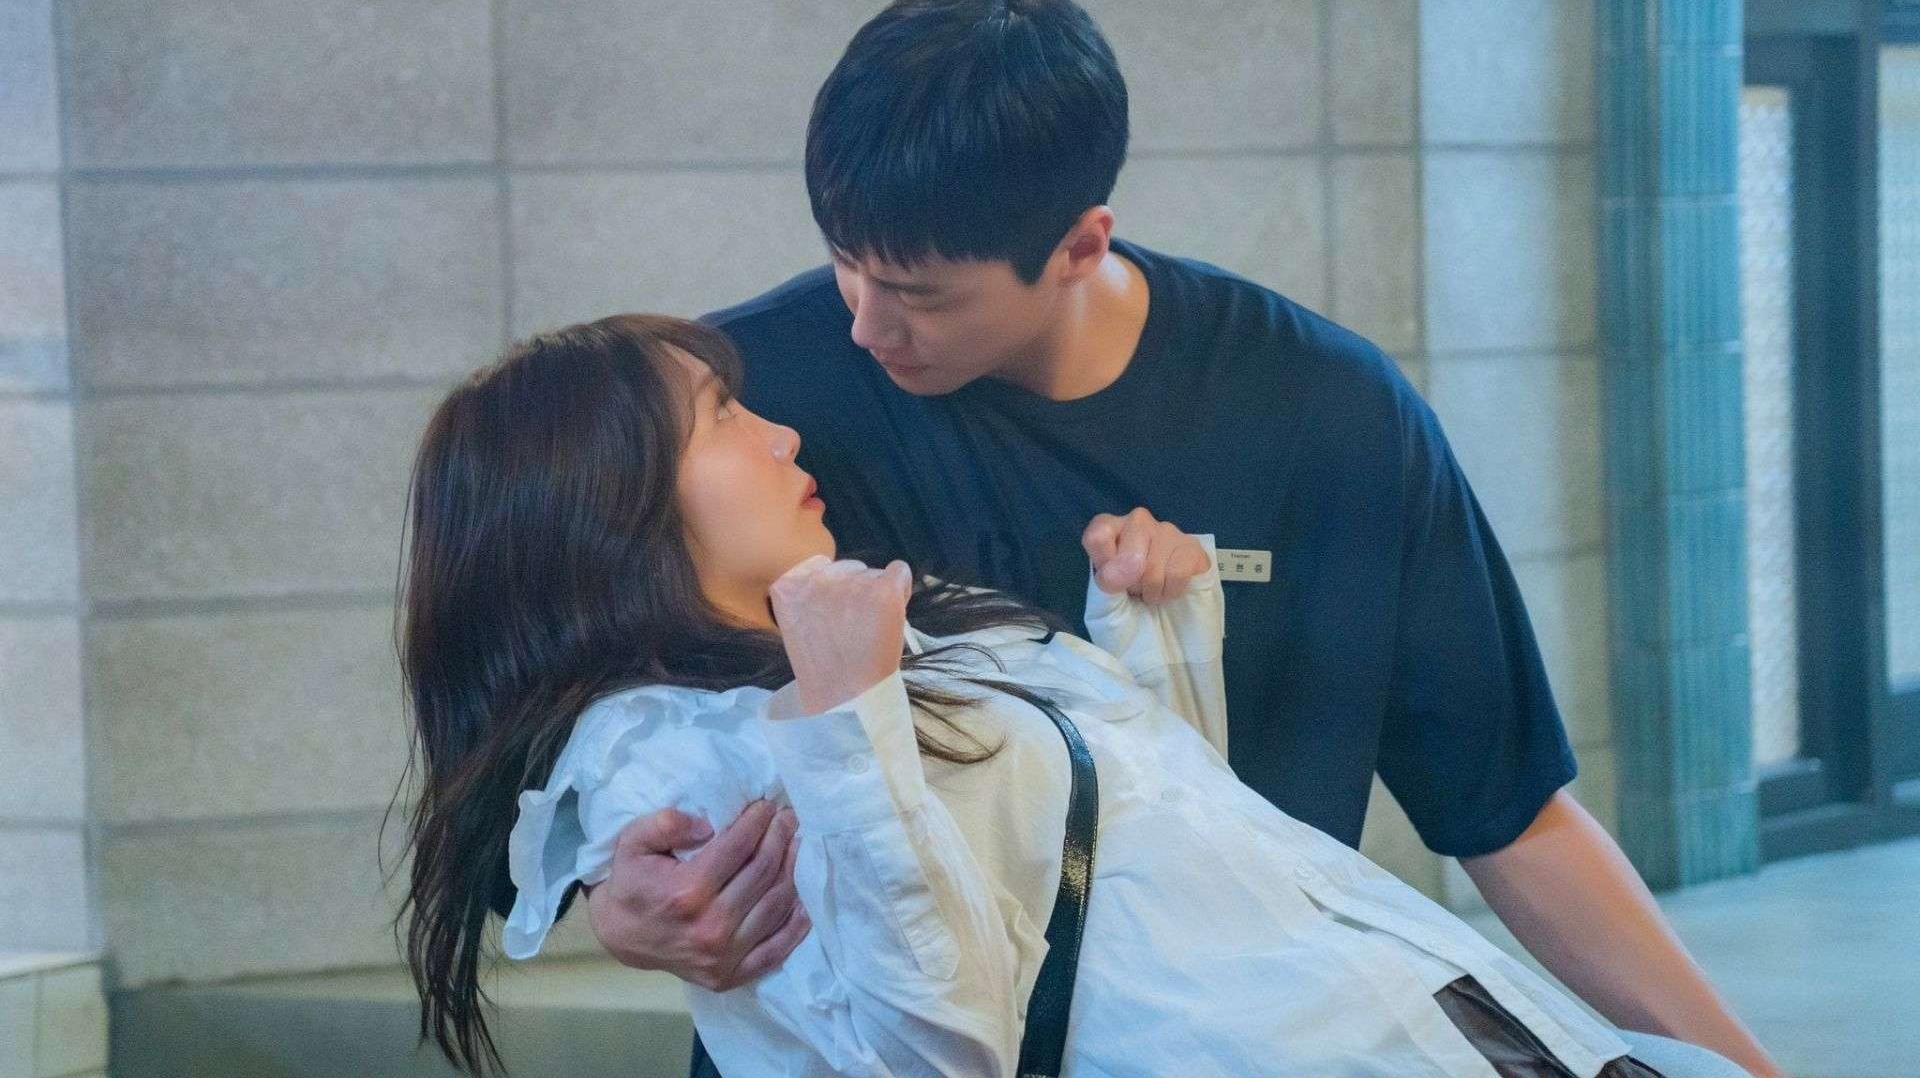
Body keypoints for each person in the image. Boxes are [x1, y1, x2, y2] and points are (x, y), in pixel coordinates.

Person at [579, 1, 1780, 1077]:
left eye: (923, 294)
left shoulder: (1327, 417)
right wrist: (615, 901)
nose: (865, 325)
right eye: (847, 264)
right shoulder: (745, 408)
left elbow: (1512, 816)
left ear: (1081, 244)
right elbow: (555, 687)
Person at [397, 313, 1684, 1077]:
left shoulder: (1290, 377)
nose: (787, 424)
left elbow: (1143, 875)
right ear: (608, 500)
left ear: (1078, 240)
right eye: (726, 417)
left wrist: (1149, 633)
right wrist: (842, 730)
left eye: (923, 285)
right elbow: (927, 1053)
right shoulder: (688, 740)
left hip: (1415, 1017)